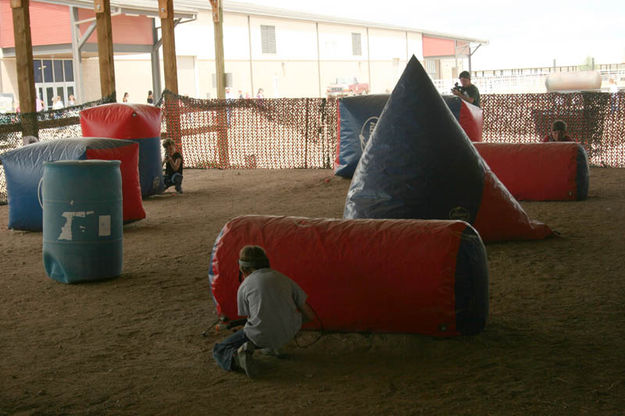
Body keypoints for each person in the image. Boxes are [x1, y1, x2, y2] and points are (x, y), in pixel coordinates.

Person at [213, 245, 315, 378]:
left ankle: (237, 359)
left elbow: (255, 317)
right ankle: (275, 346)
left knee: (220, 349)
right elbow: (309, 314)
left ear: (242, 268)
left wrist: (246, 329)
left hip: (261, 335)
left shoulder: (245, 286)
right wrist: (291, 327)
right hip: (289, 332)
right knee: (272, 325)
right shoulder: (284, 278)